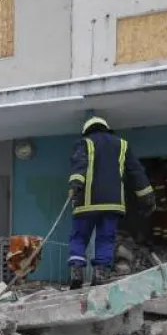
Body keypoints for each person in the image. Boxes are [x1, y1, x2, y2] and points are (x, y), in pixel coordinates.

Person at [67, 116, 156, 289]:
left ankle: (76, 271)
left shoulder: (84, 143)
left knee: (79, 236)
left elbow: (79, 164)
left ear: (87, 130)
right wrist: (147, 196)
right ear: (107, 129)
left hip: (86, 203)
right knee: (105, 239)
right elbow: (136, 172)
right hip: (113, 205)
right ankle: (100, 273)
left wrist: (75, 184)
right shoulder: (122, 145)